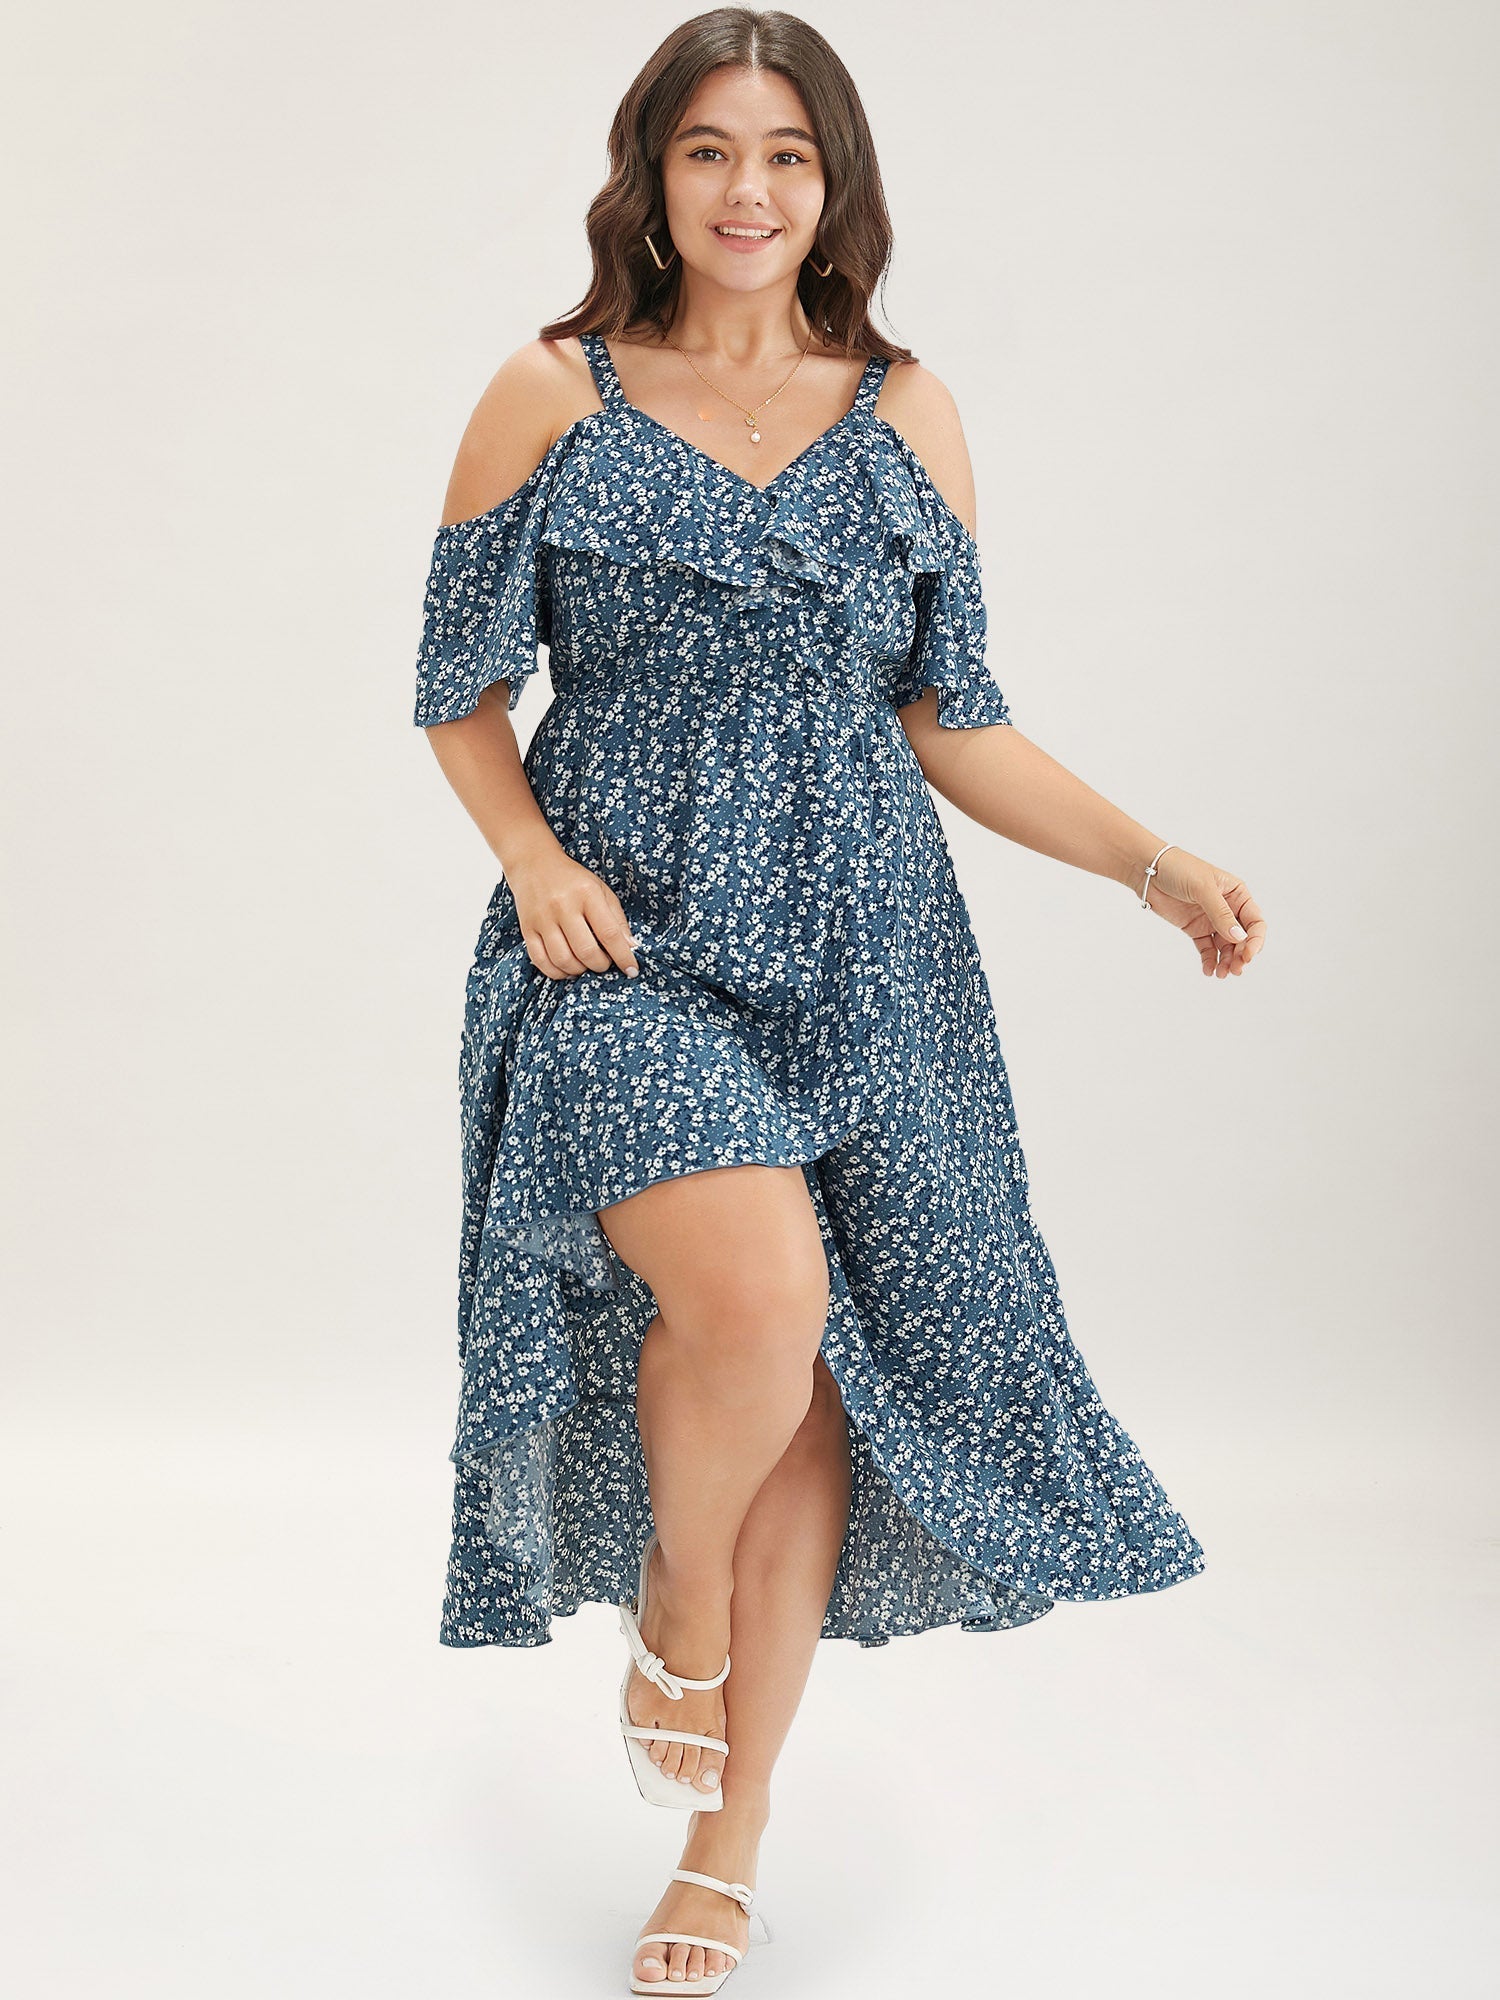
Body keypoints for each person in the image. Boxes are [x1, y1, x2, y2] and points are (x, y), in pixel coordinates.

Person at [412, 16, 1265, 1994]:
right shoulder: (550, 391)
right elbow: (456, 687)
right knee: (758, 1298)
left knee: (813, 1383)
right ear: (651, 175)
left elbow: (955, 722)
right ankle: (681, 1592)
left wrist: (1152, 864)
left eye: (787, 154)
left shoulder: (907, 410)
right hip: (621, 943)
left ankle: (726, 1845)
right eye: (709, 150)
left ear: (836, 184)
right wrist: (530, 857)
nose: (749, 190)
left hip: (870, 953)